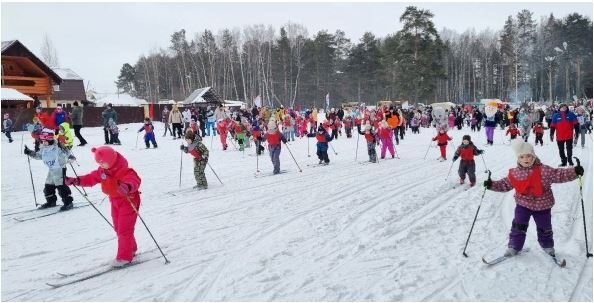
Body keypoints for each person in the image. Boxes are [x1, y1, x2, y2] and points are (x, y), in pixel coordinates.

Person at [483, 139, 583, 257]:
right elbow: (504, 184)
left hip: (543, 205)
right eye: (522, 157)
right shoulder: (515, 173)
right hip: (523, 205)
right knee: (518, 225)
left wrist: (574, 172)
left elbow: (559, 174)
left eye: (529, 156)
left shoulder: (544, 170)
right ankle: (514, 246)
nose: (526, 159)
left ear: (534, 156)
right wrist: (491, 184)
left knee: (544, 227)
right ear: (518, 158)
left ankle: (547, 246)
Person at [64, 146, 142, 267]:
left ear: (111, 160)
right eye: (99, 163)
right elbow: (90, 178)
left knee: (124, 230)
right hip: (114, 201)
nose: (102, 165)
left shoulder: (124, 170)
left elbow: (134, 180)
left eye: (104, 163)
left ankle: (124, 257)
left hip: (128, 200)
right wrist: (76, 181)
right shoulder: (103, 171)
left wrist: (127, 186)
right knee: (118, 228)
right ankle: (131, 248)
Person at [23, 128, 74, 211]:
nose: (43, 142)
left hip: (59, 169)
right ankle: (51, 201)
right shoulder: (44, 148)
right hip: (52, 170)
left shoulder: (57, 146)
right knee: (48, 186)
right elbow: (39, 156)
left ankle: (68, 202)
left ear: (49, 139)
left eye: (45, 140)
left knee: (61, 186)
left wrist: (63, 148)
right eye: (42, 140)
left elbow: (67, 155)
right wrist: (29, 152)